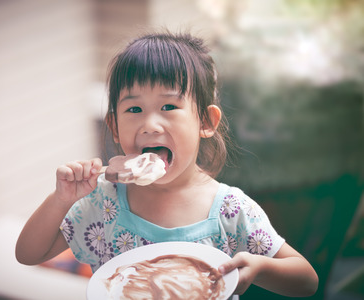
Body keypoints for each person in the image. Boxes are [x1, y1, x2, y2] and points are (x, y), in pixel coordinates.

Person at [16, 30, 318, 297]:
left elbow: (306, 280)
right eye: (134, 108)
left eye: (169, 106)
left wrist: (260, 267)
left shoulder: (231, 209)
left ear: (206, 121)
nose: (150, 124)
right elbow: (29, 254)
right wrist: (60, 199)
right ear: (115, 126)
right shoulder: (103, 200)